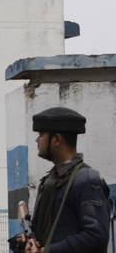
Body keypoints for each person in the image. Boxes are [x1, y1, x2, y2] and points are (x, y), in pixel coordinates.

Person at [22, 107, 110, 253]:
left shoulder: (86, 180)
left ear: (57, 140)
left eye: (41, 134)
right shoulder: (49, 180)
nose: (37, 139)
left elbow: (96, 236)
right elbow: (47, 232)